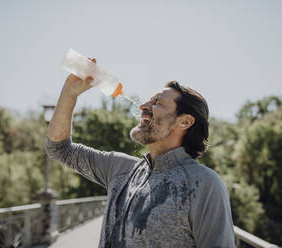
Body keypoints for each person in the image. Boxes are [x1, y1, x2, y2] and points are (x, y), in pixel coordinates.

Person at [45, 58, 236, 248]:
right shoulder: (120, 169)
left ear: (184, 121)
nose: (143, 105)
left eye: (157, 102)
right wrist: (69, 94)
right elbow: (59, 148)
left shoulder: (204, 183)